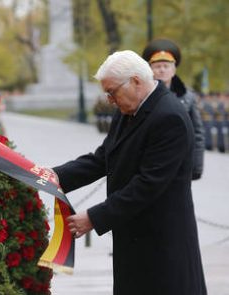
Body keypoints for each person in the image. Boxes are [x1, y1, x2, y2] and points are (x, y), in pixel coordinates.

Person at [52, 50, 207, 295]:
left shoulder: (169, 117)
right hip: (134, 240)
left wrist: (93, 217)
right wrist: (53, 177)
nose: (110, 100)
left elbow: (148, 185)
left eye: (112, 91)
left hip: (163, 245)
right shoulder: (129, 109)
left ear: (135, 80)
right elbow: (104, 157)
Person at [142, 39, 205, 179]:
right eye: (157, 66)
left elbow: (197, 133)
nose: (162, 69)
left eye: (166, 66)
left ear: (174, 69)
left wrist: (196, 166)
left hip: (179, 165)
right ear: (150, 69)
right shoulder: (141, 96)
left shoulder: (187, 96)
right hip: (148, 164)